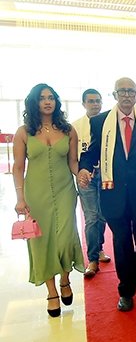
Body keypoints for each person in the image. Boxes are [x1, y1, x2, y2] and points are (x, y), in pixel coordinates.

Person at [78, 77, 136, 312]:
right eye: (122, 91)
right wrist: (84, 168)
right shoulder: (100, 122)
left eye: (131, 91)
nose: (127, 95)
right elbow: (92, 152)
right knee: (122, 243)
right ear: (114, 95)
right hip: (114, 193)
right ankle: (127, 290)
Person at [13, 83, 85, 317]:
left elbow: (73, 162)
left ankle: (65, 279)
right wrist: (20, 198)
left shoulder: (68, 130)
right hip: (36, 195)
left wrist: (81, 174)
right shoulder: (24, 132)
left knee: (65, 239)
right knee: (42, 243)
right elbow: (18, 167)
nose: (47, 101)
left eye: (51, 97)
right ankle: (52, 292)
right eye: (42, 98)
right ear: (34, 102)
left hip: (65, 192)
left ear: (56, 101)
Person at [72, 88, 111, 278]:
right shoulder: (75, 127)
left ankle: (100, 248)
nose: (95, 104)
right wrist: (80, 173)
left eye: (98, 101)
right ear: (84, 104)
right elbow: (73, 156)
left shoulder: (108, 122)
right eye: (91, 101)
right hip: (85, 177)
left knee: (102, 215)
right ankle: (92, 259)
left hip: (106, 175)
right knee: (91, 217)